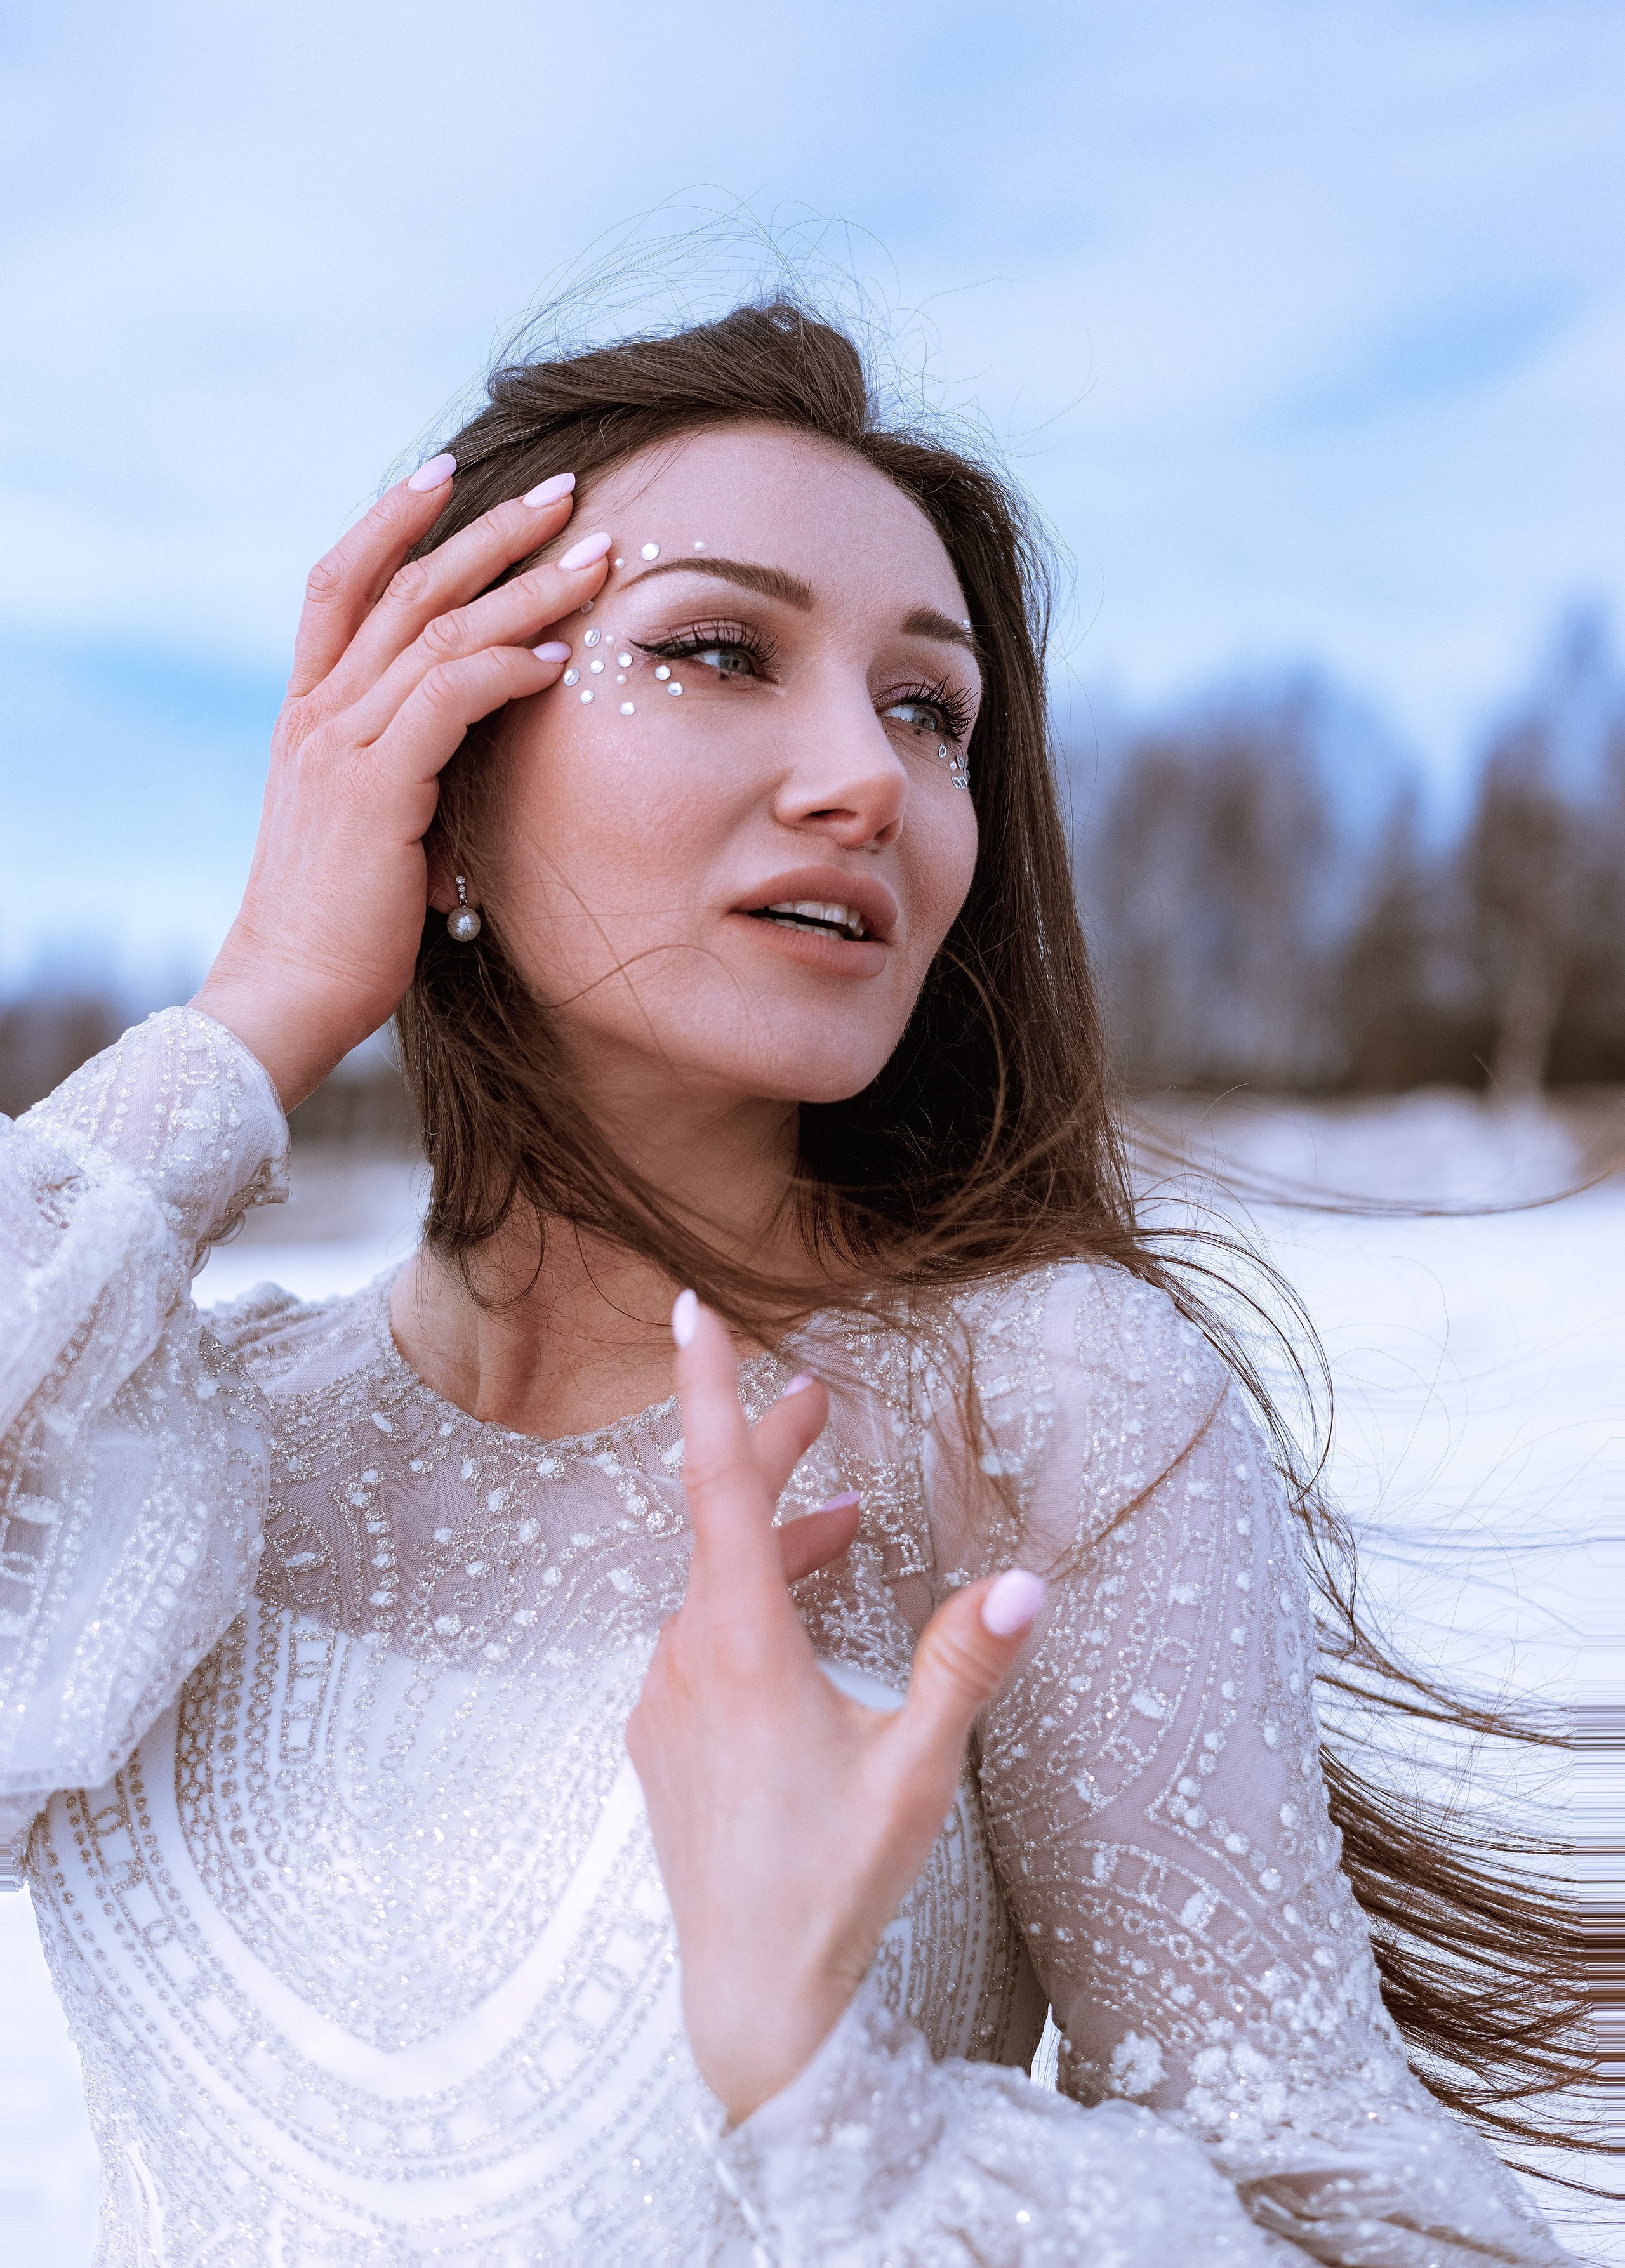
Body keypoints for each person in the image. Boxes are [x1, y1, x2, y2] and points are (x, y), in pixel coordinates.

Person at [0, 300, 1583, 2263]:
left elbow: (1377, 2230)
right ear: (440, 768)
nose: (868, 781)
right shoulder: (159, 1429)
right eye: (718, 652)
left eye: (932, 710)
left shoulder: (1040, 1411)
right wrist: (255, 1012)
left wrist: (835, 2105)